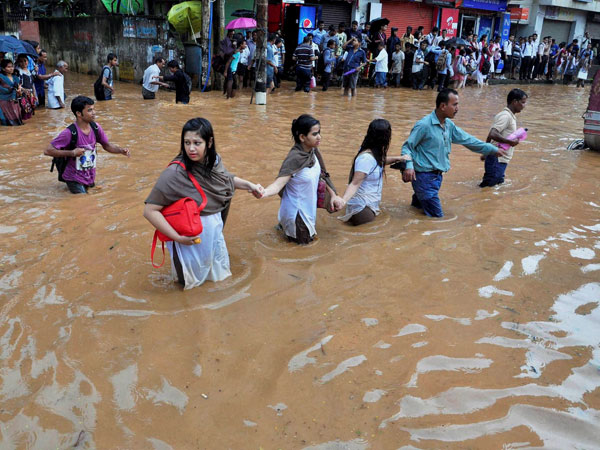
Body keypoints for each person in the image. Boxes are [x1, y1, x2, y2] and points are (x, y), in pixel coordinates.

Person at [144, 117, 262, 288]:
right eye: (187, 142)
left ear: (209, 142)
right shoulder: (174, 173)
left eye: (197, 143)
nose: (191, 148)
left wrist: (250, 186)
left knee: (221, 280)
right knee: (189, 286)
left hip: (214, 233)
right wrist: (178, 238)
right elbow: (150, 210)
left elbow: (226, 180)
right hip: (188, 239)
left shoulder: (214, 162)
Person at [401, 89, 507, 217]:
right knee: (438, 219)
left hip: (436, 177)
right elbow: (407, 147)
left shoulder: (448, 125)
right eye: (455, 104)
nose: (457, 108)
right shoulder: (424, 125)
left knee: (417, 210)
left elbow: (469, 141)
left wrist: (492, 149)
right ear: (443, 106)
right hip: (424, 177)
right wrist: (409, 166)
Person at [261, 114, 344, 244]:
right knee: (303, 253)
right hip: (297, 215)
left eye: (319, 133)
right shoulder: (294, 158)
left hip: (307, 210)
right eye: (315, 134)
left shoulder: (313, 152)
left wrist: (334, 195)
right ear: (302, 137)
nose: (319, 137)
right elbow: (278, 184)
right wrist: (263, 192)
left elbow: (323, 175)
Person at [43, 96, 130, 194]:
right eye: (89, 110)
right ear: (79, 113)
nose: (94, 113)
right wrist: (72, 153)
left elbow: (107, 145)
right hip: (73, 177)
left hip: (89, 175)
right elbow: (47, 151)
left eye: (93, 109)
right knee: (84, 202)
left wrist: (121, 150)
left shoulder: (96, 128)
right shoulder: (69, 133)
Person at [338, 119, 410, 226]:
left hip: (367, 206)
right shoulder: (366, 158)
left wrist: (399, 158)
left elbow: (378, 161)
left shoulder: (371, 152)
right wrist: (343, 201)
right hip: (362, 209)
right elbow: (355, 183)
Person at [480, 89, 527, 188]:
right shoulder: (506, 116)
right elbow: (492, 133)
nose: (524, 105)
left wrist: (485, 152)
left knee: (495, 186)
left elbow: (490, 135)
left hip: (498, 158)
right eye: (523, 102)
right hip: (497, 158)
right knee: (489, 187)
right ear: (515, 102)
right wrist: (509, 141)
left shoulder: (510, 116)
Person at [0, 59, 23, 126]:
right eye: (9, 67)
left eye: (12, 66)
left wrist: (19, 91)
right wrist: (11, 89)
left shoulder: (16, 78)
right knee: (6, 121)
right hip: (4, 101)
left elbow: (19, 91)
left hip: (14, 101)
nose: (11, 68)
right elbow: (1, 89)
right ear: (3, 69)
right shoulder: (1, 77)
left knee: (17, 121)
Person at [15, 54, 37, 120]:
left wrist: (34, 95)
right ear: (18, 62)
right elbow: (17, 85)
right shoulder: (18, 72)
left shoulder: (29, 71)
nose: (24, 63)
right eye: (21, 61)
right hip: (22, 95)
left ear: (28, 61)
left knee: (30, 113)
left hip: (30, 95)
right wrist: (24, 90)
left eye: (25, 61)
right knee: (24, 113)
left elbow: (32, 84)